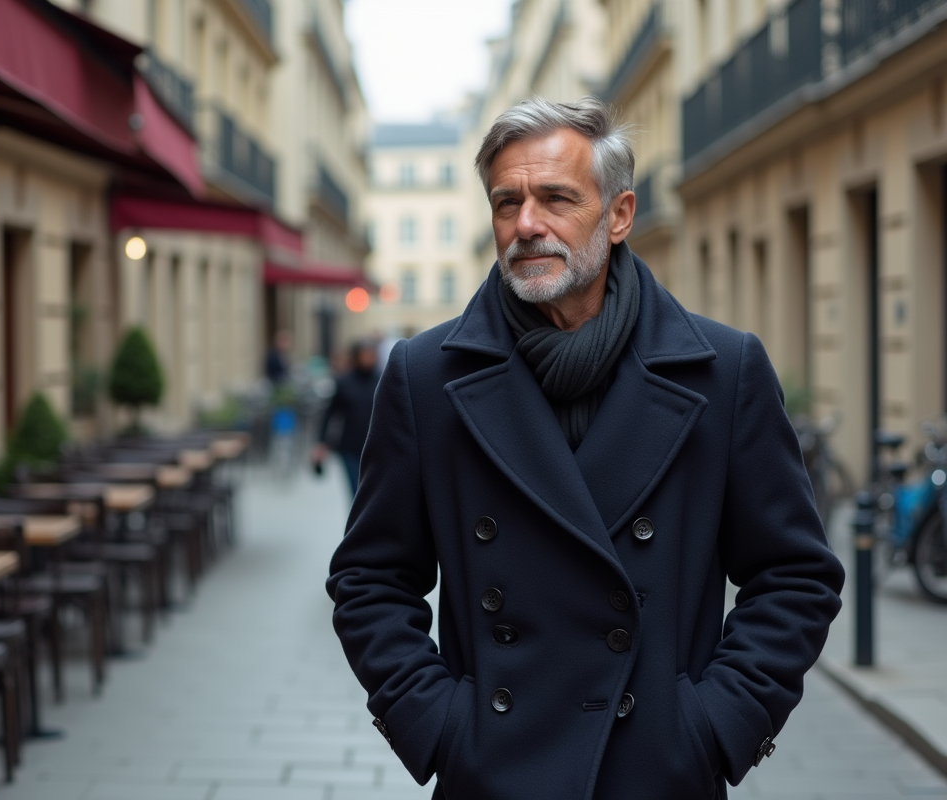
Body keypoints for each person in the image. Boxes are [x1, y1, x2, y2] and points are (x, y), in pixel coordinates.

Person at [326, 97, 844, 800]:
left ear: (619, 214)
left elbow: (795, 575)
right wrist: (439, 724)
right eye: (507, 202)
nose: (526, 224)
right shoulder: (426, 377)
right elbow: (370, 579)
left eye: (556, 198)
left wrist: (713, 727)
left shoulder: (723, 371)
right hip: (494, 772)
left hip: (656, 773)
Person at [313, 339, 380, 496]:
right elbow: (330, 413)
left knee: (374, 493)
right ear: (356, 357)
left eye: (371, 355)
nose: (368, 359)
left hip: (377, 447)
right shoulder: (344, 382)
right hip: (350, 447)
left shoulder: (382, 379)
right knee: (356, 493)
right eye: (365, 355)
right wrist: (321, 443)